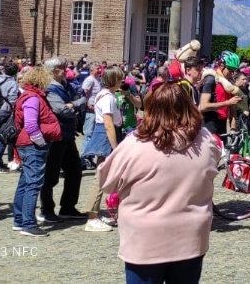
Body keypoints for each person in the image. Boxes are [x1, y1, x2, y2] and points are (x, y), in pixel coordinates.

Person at [98, 81, 221, 284]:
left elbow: (106, 182)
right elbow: (213, 167)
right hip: (191, 233)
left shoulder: (135, 143)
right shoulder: (205, 139)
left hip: (146, 238)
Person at [11, 65, 64, 237]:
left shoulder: (32, 96)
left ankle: (19, 220)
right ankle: (28, 223)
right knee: (33, 184)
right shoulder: (33, 98)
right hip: (32, 145)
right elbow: (31, 124)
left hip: (28, 144)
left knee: (25, 182)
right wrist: (41, 143)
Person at [81, 65, 132, 232]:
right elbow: (109, 125)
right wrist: (116, 148)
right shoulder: (108, 98)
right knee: (100, 178)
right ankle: (92, 217)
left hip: (105, 133)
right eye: (119, 78)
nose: (122, 81)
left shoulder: (105, 95)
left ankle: (95, 213)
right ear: (114, 80)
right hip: (106, 135)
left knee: (102, 176)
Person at [39, 56, 86, 223]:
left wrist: (73, 104)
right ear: (54, 71)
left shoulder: (65, 86)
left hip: (67, 135)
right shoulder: (51, 89)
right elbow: (62, 110)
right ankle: (46, 209)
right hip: (55, 136)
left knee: (75, 170)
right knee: (51, 175)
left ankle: (68, 206)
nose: (66, 71)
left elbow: (70, 105)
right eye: (63, 69)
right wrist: (78, 103)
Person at [198, 53, 242, 135]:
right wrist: (228, 102)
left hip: (222, 123)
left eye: (235, 71)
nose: (232, 74)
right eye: (230, 70)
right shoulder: (211, 79)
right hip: (209, 123)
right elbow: (203, 106)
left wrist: (233, 128)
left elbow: (233, 107)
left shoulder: (230, 82)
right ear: (221, 65)